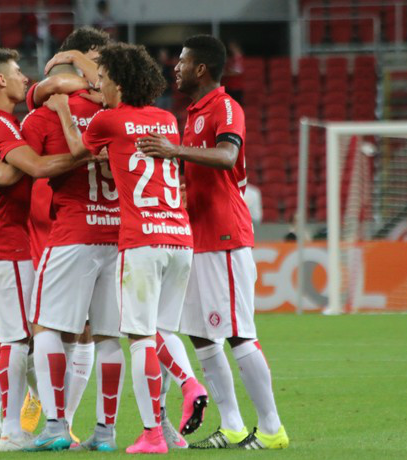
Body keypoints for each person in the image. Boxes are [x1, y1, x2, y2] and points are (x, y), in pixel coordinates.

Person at [46, 42, 202, 454]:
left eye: (107, 79)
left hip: (142, 241)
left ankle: (152, 434)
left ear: (120, 82)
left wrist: (64, 111)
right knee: (164, 334)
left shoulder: (107, 120)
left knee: (141, 340)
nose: (102, 85)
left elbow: (79, 152)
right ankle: (175, 411)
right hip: (180, 238)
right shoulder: (169, 119)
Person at [137, 34, 289, 450]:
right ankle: (234, 425)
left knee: (240, 333)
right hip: (197, 237)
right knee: (203, 336)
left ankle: (273, 429)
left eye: (182, 62)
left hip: (225, 236)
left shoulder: (225, 106)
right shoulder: (193, 113)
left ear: (201, 68)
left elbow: (226, 157)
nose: (176, 68)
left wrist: (174, 151)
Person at [0, 55, 125, 451]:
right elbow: (30, 169)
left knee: (28, 336)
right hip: (7, 242)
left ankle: (20, 423)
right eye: (19, 72)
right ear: (1, 80)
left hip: (12, 238)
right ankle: (12, 429)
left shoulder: (23, 121)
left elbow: (6, 173)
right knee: (22, 338)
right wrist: (85, 154)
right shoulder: (111, 114)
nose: (27, 79)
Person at [223, 40, 244, 104]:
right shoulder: (230, 59)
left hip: (236, 87)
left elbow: (237, 72)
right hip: (228, 87)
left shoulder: (239, 59)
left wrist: (225, 73)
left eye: (233, 47)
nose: (231, 48)